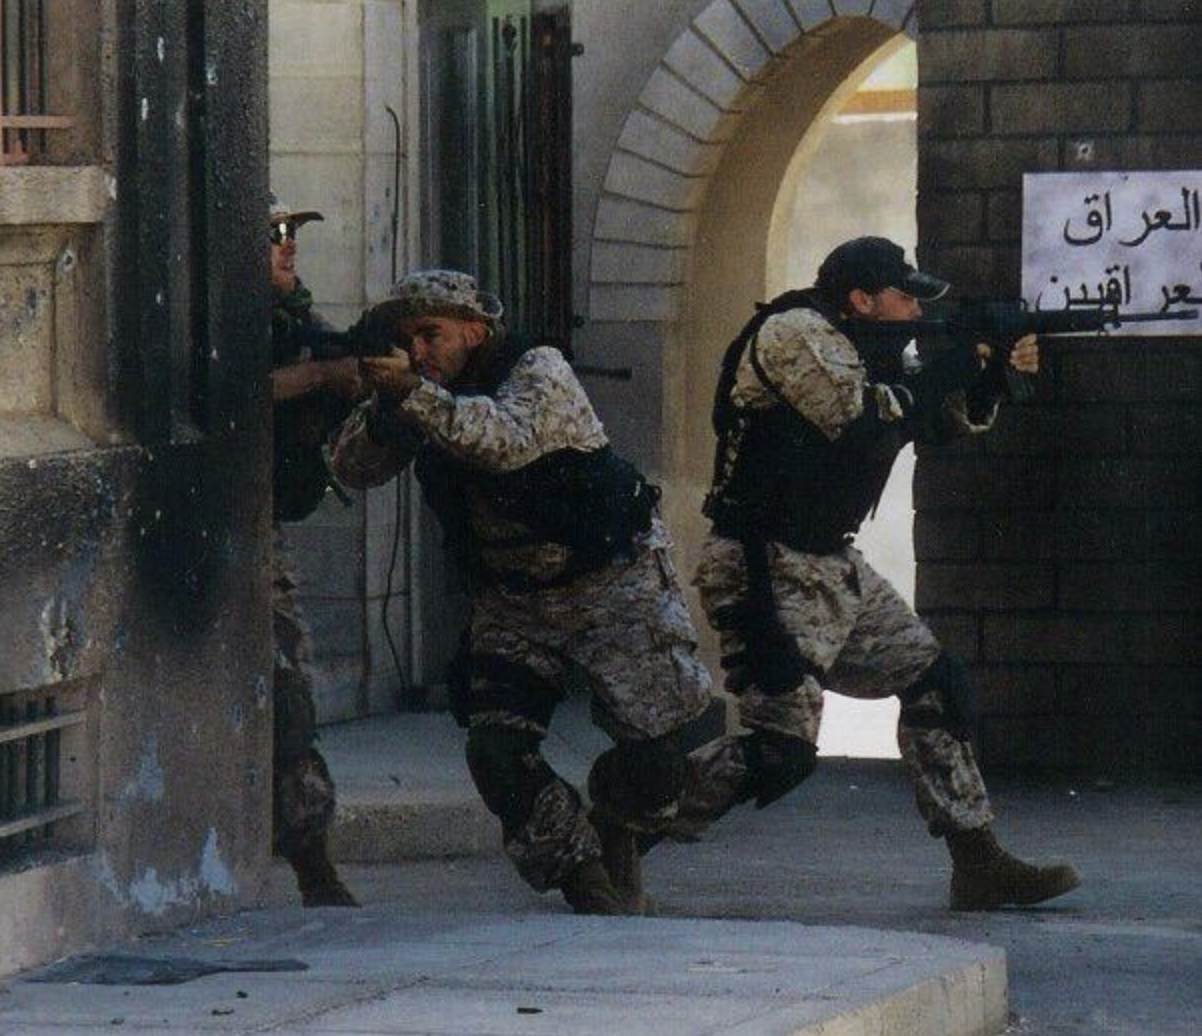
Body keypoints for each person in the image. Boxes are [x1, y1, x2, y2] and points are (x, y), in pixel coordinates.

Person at [686, 236, 1081, 910]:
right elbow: (862, 420)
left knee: (936, 684)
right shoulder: (794, 332)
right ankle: (630, 817)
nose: (914, 312)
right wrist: (957, 361)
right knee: (781, 750)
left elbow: (939, 420)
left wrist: (990, 376)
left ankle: (978, 862)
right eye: (904, 298)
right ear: (861, 299)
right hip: (764, 565)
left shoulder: (874, 348)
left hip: (829, 563)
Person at [330, 270, 723, 914]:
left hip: (610, 583)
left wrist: (414, 395)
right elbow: (352, 466)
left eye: (431, 334)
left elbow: (503, 441)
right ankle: (580, 873)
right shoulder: (421, 396)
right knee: (497, 750)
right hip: (514, 601)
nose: (419, 352)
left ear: (474, 330)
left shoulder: (537, 368)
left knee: (662, 755)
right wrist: (385, 408)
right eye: (407, 341)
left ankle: (617, 828)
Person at [268, 195, 363, 907]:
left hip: (260, 545)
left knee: (290, 708)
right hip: (196, 552)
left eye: (292, 233)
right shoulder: (214, 317)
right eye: (274, 235)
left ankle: (313, 866)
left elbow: (345, 374)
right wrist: (312, 379)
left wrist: (353, 375)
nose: (288, 245)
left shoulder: (296, 324)